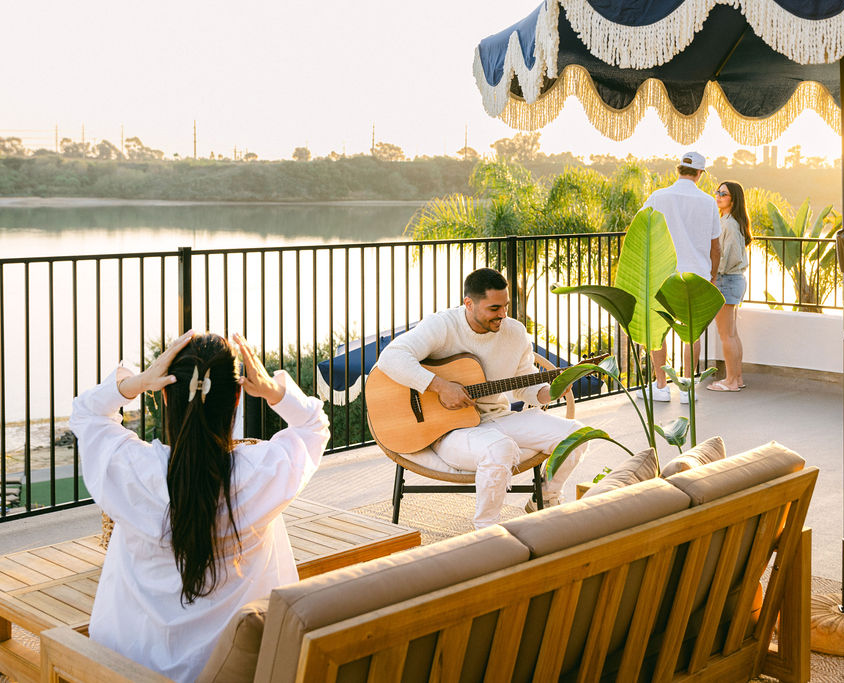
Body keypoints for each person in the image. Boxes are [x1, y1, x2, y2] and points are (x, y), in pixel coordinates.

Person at [69, 330, 329, 682]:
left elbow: (86, 413)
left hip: (129, 670)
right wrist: (272, 389)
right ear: (237, 398)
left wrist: (135, 382)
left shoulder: (132, 471)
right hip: (239, 673)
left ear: (162, 397)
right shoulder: (262, 474)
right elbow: (314, 424)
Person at [375, 267, 588, 528]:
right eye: (494, 308)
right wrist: (439, 386)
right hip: (450, 430)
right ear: (469, 304)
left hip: (498, 417)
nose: (502, 315)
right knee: (500, 448)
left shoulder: (515, 332)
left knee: (578, 436)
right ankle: (486, 533)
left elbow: (524, 382)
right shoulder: (443, 325)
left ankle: (544, 497)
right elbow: (390, 357)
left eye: (506, 306)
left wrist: (551, 391)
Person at [639, 151, 721, 403]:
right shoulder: (708, 202)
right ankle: (686, 388)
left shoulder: (658, 197)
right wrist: (712, 277)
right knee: (691, 333)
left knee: (658, 331)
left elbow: (640, 230)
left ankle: (661, 386)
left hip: (662, 275)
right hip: (695, 277)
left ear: (678, 170)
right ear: (699, 174)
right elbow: (715, 247)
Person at [707, 181, 751, 392]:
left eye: (723, 194)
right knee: (732, 333)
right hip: (732, 280)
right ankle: (737, 378)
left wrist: (713, 275)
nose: (718, 196)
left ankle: (731, 381)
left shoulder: (730, 224)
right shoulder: (729, 221)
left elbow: (729, 257)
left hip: (726, 280)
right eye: (717, 192)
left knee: (726, 335)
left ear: (733, 199)